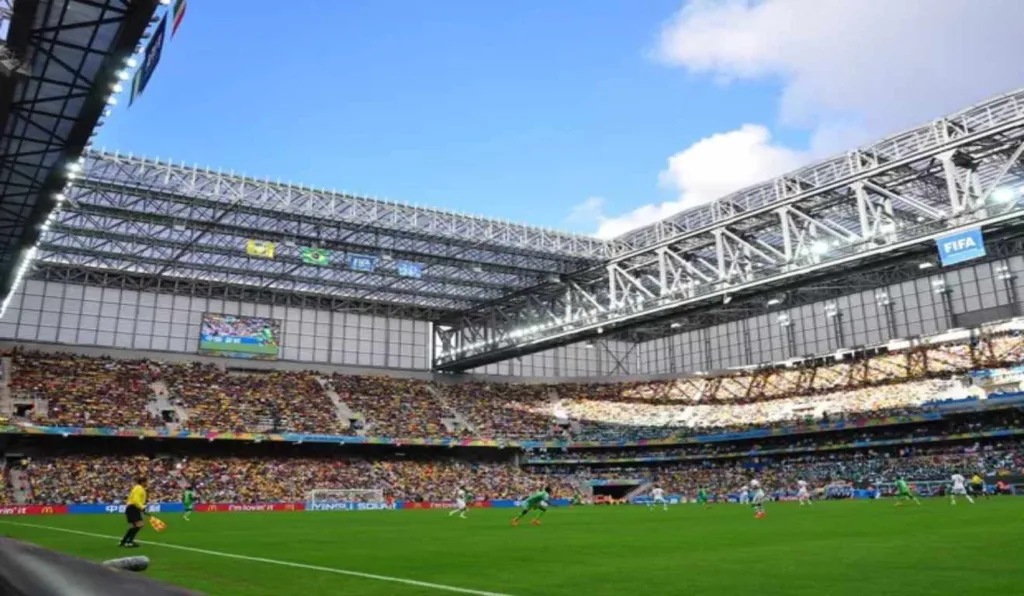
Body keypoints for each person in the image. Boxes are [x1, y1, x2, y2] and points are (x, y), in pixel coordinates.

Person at [119, 476, 148, 548]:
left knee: (136, 525)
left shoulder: (137, 488)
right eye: (146, 481)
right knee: (139, 525)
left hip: (133, 507)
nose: (147, 483)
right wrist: (142, 507)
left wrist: (140, 508)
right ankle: (129, 542)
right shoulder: (139, 488)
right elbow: (135, 500)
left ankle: (124, 541)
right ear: (143, 482)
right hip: (133, 507)